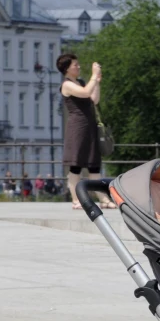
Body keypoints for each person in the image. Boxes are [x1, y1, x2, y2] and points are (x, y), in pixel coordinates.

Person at [58, 52, 113, 210]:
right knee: (76, 165)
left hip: (90, 126)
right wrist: (94, 77)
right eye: (75, 65)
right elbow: (85, 93)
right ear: (67, 68)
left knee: (93, 164)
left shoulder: (81, 82)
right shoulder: (67, 84)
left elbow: (93, 99)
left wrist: (97, 82)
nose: (79, 67)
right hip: (77, 128)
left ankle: (102, 198)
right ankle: (77, 199)